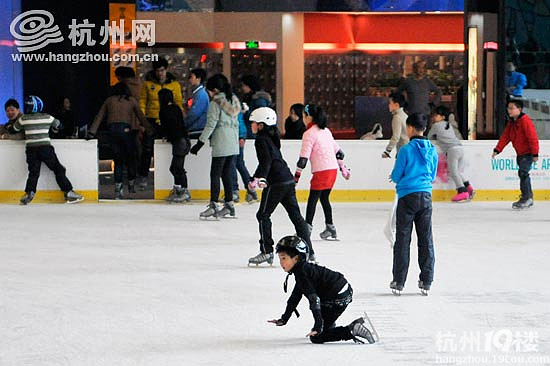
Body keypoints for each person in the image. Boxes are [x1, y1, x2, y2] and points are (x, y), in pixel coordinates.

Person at [268, 235, 377, 345]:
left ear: (296, 258)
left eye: (284, 258)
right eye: (280, 258)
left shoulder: (301, 273)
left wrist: (318, 325)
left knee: (317, 337)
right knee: (323, 328)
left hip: (338, 296)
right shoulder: (303, 270)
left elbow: (314, 300)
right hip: (342, 291)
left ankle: (352, 329)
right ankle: (329, 325)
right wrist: (284, 318)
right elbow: (295, 297)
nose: (281, 263)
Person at [246, 107, 315, 266]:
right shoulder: (270, 137)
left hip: (276, 182)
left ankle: (267, 251)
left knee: (263, 215)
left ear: (262, 124)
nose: (252, 126)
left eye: (255, 123)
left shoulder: (261, 140)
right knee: (297, 217)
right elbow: (268, 160)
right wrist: (256, 177)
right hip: (287, 180)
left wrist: (262, 178)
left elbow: (267, 162)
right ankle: (309, 251)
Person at [390, 113, 437, 296]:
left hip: (407, 197)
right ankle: (426, 280)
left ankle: (399, 281)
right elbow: (432, 176)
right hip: (425, 197)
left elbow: (396, 175)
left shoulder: (406, 150)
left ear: (410, 128)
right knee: (426, 239)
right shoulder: (432, 150)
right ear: (423, 129)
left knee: (403, 240)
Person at [9, 96, 83, 205]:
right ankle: (68, 192)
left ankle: (29, 193)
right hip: (45, 148)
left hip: (31, 150)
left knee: (33, 173)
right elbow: (60, 125)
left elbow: (13, 129)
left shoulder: (23, 119)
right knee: (58, 169)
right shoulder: (47, 117)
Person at [294, 104, 350, 240]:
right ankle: (330, 227)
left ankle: (306, 229)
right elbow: (340, 153)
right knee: (324, 198)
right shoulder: (326, 131)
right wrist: (342, 167)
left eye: (304, 116)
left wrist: (296, 177)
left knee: (312, 199)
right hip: (332, 171)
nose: (303, 119)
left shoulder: (309, 134)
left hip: (321, 171)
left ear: (309, 117)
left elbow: (303, 159)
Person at [89, 83, 152, 199]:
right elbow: (141, 116)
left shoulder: (109, 100)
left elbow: (99, 116)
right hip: (126, 132)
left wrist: (91, 132)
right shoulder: (131, 101)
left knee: (118, 160)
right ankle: (131, 185)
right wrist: (149, 130)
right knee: (130, 159)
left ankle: (118, 188)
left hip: (112, 131)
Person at [189, 74, 240, 219]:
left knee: (215, 174)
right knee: (226, 174)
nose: (209, 94)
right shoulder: (234, 100)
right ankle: (229, 205)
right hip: (233, 142)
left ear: (215, 90)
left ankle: (213, 205)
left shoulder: (215, 103)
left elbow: (210, 124)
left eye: (209, 91)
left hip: (222, 142)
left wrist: (199, 143)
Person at [138, 57, 183, 190]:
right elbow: (142, 102)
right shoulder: (148, 84)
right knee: (147, 149)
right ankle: (143, 176)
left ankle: (168, 177)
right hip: (151, 120)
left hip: (168, 120)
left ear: (167, 70)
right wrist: (143, 121)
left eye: (162, 70)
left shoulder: (174, 84)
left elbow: (178, 103)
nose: (160, 73)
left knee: (170, 148)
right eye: (157, 71)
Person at [492, 100, 539, 209]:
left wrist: (535, 153)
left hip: (528, 153)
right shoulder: (512, 123)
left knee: (523, 173)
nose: (509, 110)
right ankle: (528, 197)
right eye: (508, 108)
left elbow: (533, 138)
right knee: (522, 174)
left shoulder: (525, 121)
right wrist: (498, 149)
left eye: (512, 108)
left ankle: (527, 198)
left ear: (519, 109)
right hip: (520, 153)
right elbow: (505, 136)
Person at [428, 106, 474, 202]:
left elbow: (429, 137)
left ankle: (462, 191)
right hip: (460, 148)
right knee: (456, 171)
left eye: (437, 115)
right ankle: (468, 187)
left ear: (443, 117)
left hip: (452, 150)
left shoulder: (436, 126)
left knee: (453, 172)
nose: (434, 117)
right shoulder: (449, 125)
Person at [381, 92, 409, 247]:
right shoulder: (404, 116)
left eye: (390, 102)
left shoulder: (397, 117)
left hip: (403, 154)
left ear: (396, 105)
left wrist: (387, 150)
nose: (388, 105)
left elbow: (396, 137)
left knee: (400, 185)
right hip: (407, 154)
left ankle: (398, 213)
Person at [158, 88, 191, 203]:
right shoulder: (176, 108)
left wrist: (164, 135)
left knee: (177, 168)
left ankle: (184, 190)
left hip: (179, 142)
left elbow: (166, 126)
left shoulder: (164, 111)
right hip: (183, 140)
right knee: (176, 167)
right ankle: (179, 189)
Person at [230, 111, 258, 203]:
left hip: (236, 137)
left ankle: (234, 191)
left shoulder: (231, 103)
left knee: (232, 164)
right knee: (239, 163)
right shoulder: (232, 103)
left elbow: (239, 121)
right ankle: (250, 188)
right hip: (236, 136)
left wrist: (241, 136)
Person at [241, 74, 272, 139]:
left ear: (249, 86)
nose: (242, 88)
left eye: (244, 86)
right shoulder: (249, 98)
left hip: (255, 134)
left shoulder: (259, 100)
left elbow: (260, 116)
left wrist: (246, 112)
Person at [184, 68, 209, 137]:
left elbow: (194, 113)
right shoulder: (198, 93)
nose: (190, 79)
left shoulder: (201, 94)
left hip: (197, 129)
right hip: (196, 127)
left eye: (192, 77)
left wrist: (184, 123)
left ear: (198, 78)